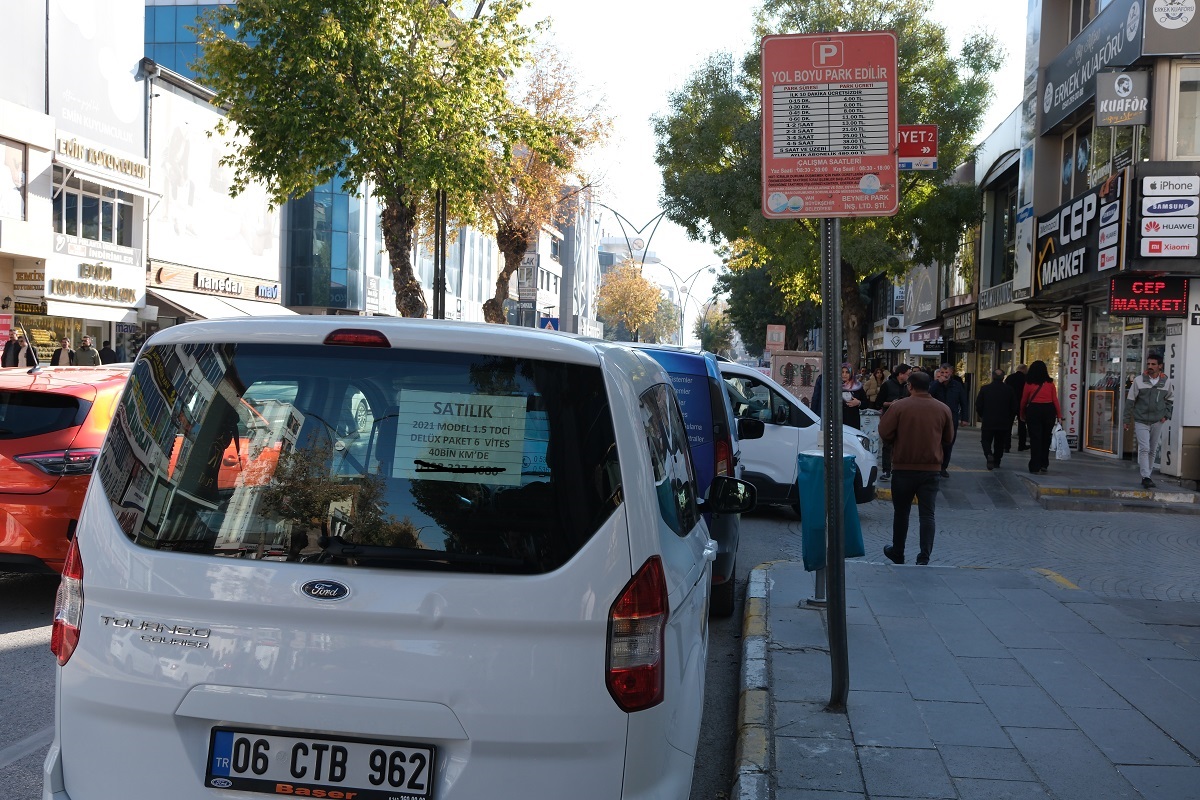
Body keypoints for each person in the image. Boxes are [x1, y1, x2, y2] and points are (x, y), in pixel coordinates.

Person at [878, 370, 954, 566]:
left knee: (901, 512)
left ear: (910, 386)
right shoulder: (943, 409)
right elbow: (948, 438)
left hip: (903, 468)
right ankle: (924, 556)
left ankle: (898, 552)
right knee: (928, 514)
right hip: (931, 469)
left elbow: (885, 433)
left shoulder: (899, 407)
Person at [1123, 352, 1174, 489]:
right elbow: (1130, 401)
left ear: (1160, 366)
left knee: (1153, 449)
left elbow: (1170, 399)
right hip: (1141, 420)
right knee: (1144, 448)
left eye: (1153, 364)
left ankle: (1148, 475)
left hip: (1158, 420)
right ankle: (1146, 476)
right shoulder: (1139, 380)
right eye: (1148, 364)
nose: (1150, 366)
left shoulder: (1166, 382)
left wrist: (1166, 415)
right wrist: (1126, 419)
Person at [1019, 360, 1062, 475]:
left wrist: (1022, 413)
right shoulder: (1050, 384)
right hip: (1049, 410)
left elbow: (1024, 400)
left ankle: (1034, 465)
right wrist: (1059, 415)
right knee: (1046, 438)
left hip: (1034, 410)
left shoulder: (1029, 384)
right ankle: (1044, 463)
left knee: (1035, 438)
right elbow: (1055, 400)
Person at [930, 363, 968, 477]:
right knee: (935, 442)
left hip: (952, 419)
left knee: (948, 443)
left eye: (947, 373)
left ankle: (943, 467)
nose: (944, 375)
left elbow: (964, 402)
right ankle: (934, 465)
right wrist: (938, 383)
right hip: (936, 418)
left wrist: (965, 418)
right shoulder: (934, 385)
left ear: (951, 373)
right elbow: (928, 395)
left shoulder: (957, 385)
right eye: (942, 372)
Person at [875, 364, 911, 480]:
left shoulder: (909, 387)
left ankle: (900, 469)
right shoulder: (887, 385)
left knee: (903, 444)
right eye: (908, 374)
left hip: (905, 419)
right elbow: (878, 402)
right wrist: (891, 404)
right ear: (901, 374)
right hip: (889, 418)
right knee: (887, 444)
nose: (909, 376)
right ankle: (886, 470)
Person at [976, 368, 1017, 470]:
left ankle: (988, 454)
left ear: (993, 377)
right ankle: (997, 461)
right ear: (1003, 377)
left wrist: (982, 415)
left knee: (986, 440)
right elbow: (1014, 406)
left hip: (988, 420)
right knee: (1000, 442)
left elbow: (979, 405)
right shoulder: (1009, 390)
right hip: (1003, 421)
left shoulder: (985, 389)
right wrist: (1009, 417)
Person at [1005, 364, 1029, 451]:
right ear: (1024, 370)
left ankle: (1006, 446)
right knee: (1022, 425)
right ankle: (1021, 445)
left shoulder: (1009, 378)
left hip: (1010, 404)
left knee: (1008, 425)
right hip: (1021, 403)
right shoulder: (1026, 379)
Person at [839, 363, 868, 429]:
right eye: (842, 372)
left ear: (851, 373)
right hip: (837, 422)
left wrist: (858, 403)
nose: (844, 374)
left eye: (847, 372)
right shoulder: (834, 386)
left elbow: (866, 404)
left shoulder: (857, 387)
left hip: (852, 423)